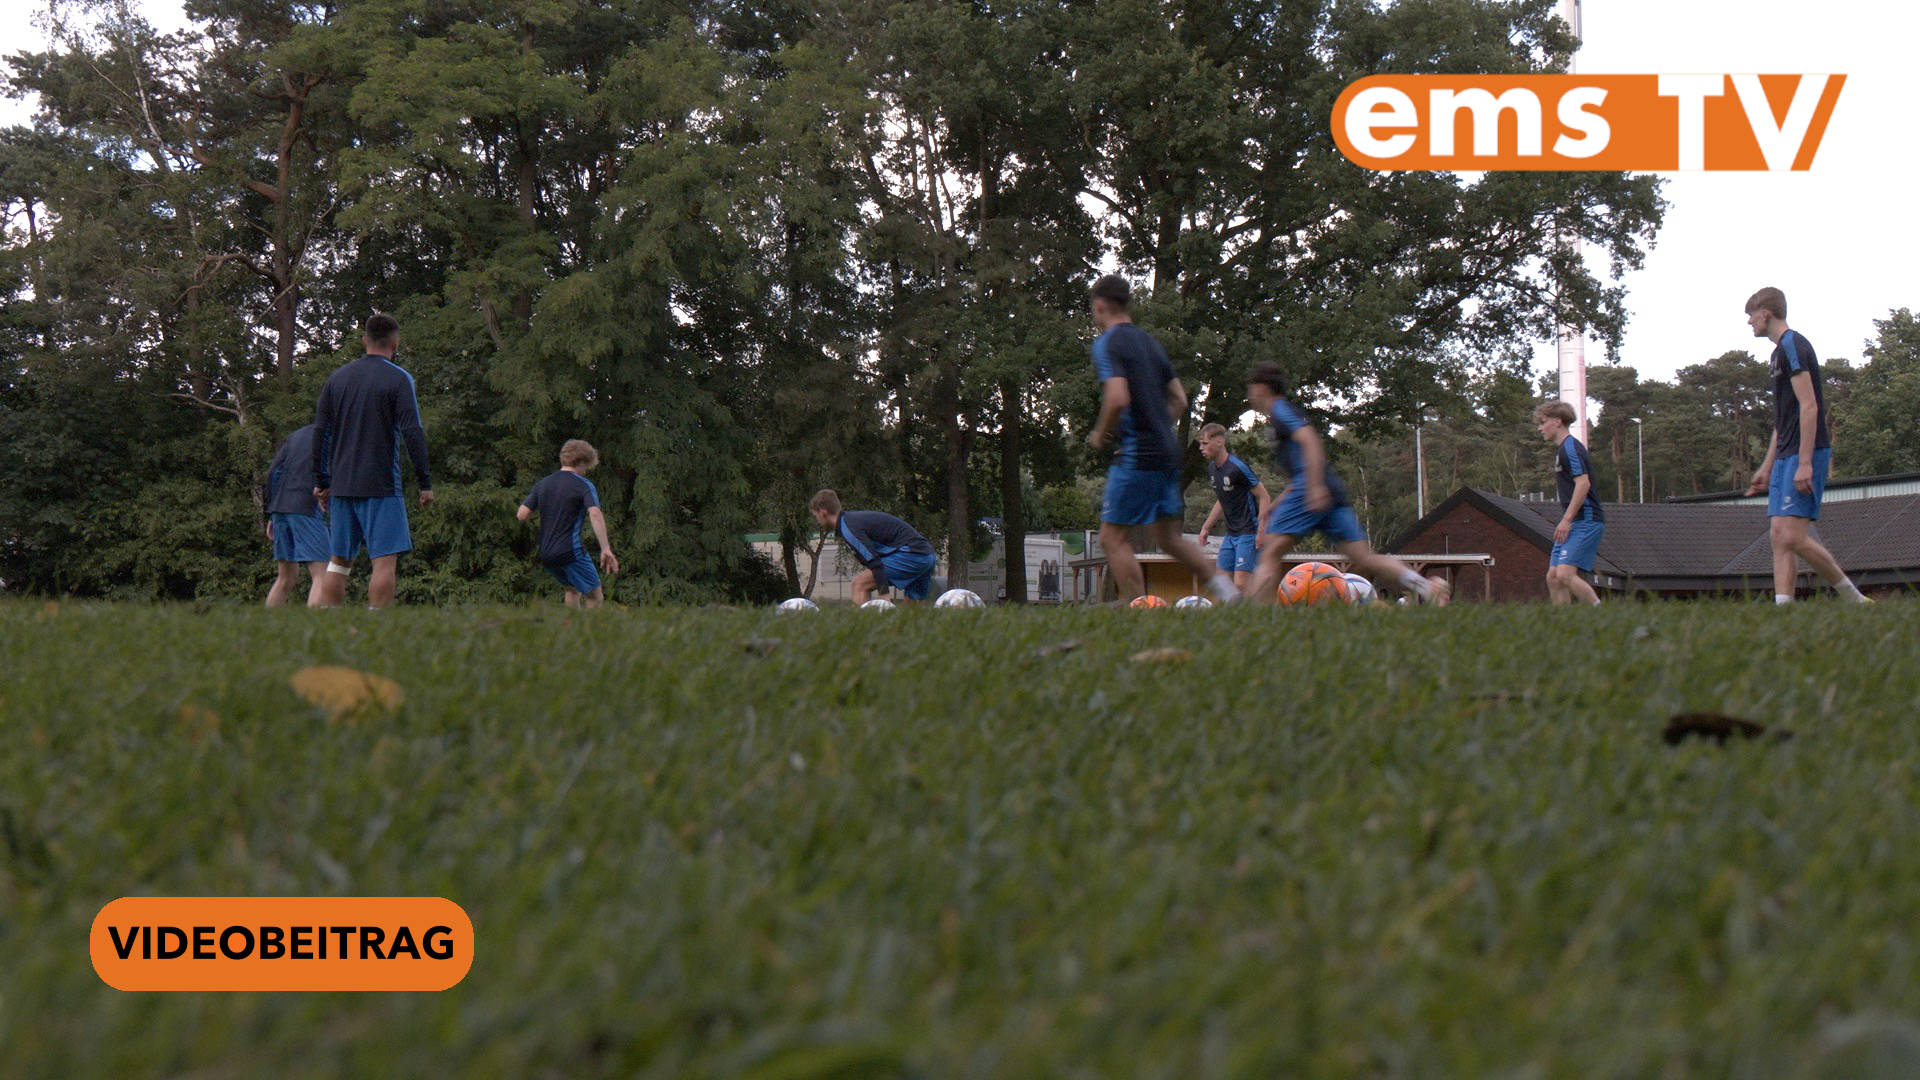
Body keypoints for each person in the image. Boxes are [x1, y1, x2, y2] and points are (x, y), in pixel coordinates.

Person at [1085, 275, 1239, 604]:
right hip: (1167, 450)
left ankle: (1139, 611)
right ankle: (1228, 594)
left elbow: (1116, 397)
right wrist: (1158, 424)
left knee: (1112, 538)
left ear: (1100, 307)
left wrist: (1100, 433)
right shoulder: (1149, 342)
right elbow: (1180, 399)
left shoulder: (1108, 343)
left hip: (1137, 453)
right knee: (1168, 538)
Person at [1241, 363, 1449, 605]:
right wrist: (1281, 502)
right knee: (1363, 557)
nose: (1249, 394)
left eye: (1251, 388)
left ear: (1261, 389)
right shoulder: (1284, 412)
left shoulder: (1280, 411)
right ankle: (1426, 588)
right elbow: (1302, 459)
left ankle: (1254, 612)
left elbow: (1310, 441)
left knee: (1270, 552)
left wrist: (1315, 487)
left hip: (1309, 489)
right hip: (1328, 491)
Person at [1741, 287, 1870, 604]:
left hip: (1805, 453)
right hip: (1787, 454)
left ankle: (1856, 601)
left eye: (1750, 316)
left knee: (1793, 537)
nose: (1748, 323)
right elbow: (1783, 419)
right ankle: (1783, 610)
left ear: (1765, 314)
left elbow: (1809, 406)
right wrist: (1766, 465)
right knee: (1779, 537)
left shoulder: (1793, 346)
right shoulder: (1777, 354)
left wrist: (1805, 462)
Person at [311, 312, 433, 608]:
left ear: (365, 340)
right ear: (395, 342)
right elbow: (412, 432)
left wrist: (322, 482)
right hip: (381, 485)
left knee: (338, 562)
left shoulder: (336, 379)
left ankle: (328, 628)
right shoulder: (399, 379)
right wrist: (425, 482)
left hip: (342, 485)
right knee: (383, 562)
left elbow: (320, 433)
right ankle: (377, 628)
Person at [517, 439, 618, 608]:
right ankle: (589, 634)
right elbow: (594, 513)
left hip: (546, 552)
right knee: (595, 597)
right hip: (570, 551)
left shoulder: (543, 483)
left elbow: (521, 515)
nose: (586, 472)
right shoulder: (583, 485)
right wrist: (606, 548)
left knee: (572, 589)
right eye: (586, 467)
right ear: (581, 462)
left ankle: (571, 630)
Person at [808, 490, 937, 603]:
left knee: (859, 585)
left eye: (816, 515)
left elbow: (874, 562)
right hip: (926, 554)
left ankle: (865, 630)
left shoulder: (848, 526)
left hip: (912, 554)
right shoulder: (851, 521)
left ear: (823, 512)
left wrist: (884, 595)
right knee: (913, 612)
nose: (817, 520)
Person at [1534, 402, 1604, 605]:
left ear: (1557, 422)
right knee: (1554, 577)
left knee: (1565, 573)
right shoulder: (1562, 449)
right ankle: (1564, 626)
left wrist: (1566, 520)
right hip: (1574, 522)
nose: (1540, 428)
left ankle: (1601, 613)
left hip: (1586, 520)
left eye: (1543, 422)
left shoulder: (1570, 447)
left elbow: (1583, 483)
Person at [1195, 422, 1273, 590]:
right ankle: (1231, 615)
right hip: (1231, 534)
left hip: (1249, 532)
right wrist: (1206, 527)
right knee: (1222, 582)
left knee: (1240, 583)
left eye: (1205, 443)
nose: (1201, 448)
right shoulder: (1212, 469)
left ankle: (1258, 614)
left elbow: (1264, 496)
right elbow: (1222, 498)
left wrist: (1261, 531)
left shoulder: (1238, 468)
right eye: (1200, 444)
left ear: (1219, 442)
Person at [262, 423, 329, 608]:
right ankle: (317, 632)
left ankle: (266, 631)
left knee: (286, 578)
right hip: (306, 508)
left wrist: (271, 513)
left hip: (280, 509)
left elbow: (273, 472)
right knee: (322, 573)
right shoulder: (332, 435)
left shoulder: (297, 435)